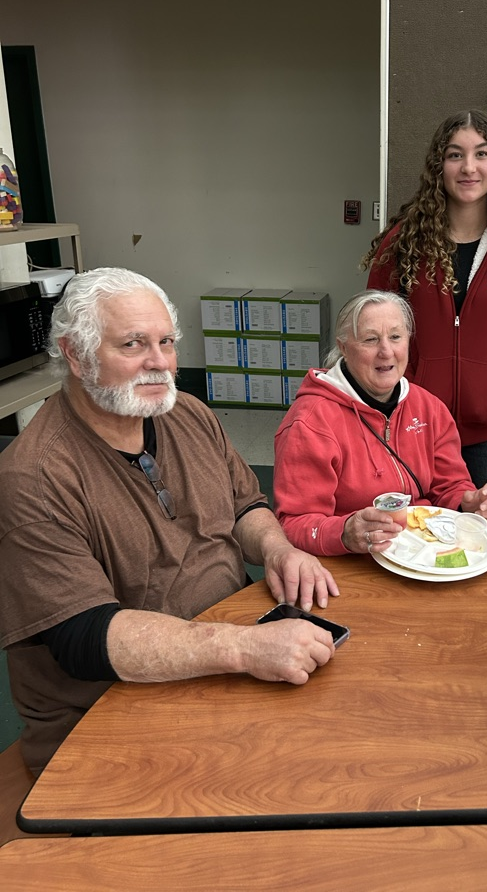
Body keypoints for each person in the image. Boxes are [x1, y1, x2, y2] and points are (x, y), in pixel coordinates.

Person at [0, 268, 340, 774]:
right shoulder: (34, 477)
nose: (159, 363)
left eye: (166, 342)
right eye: (133, 344)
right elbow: (85, 638)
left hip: (228, 656)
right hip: (110, 714)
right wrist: (243, 647)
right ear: (75, 353)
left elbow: (246, 506)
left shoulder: (189, 416)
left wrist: (277, 550)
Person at [363, 111, 487, 523]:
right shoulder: (404, 243)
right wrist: (401, 387)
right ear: (439, 166)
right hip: (413, 426)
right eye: (455, 155)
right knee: (417, 535)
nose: (468, 167)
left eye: (481, 154)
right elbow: (375, 327)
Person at [273, 290, 487, 556]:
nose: (386, 351)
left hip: (424, 554)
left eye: (395, 337)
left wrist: (466, 504)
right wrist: (344, 533)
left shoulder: (429, 407)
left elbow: (448, 485)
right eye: (370, 339)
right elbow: (294, 523)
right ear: (343, 347)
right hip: (354, 564)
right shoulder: (309, 422)